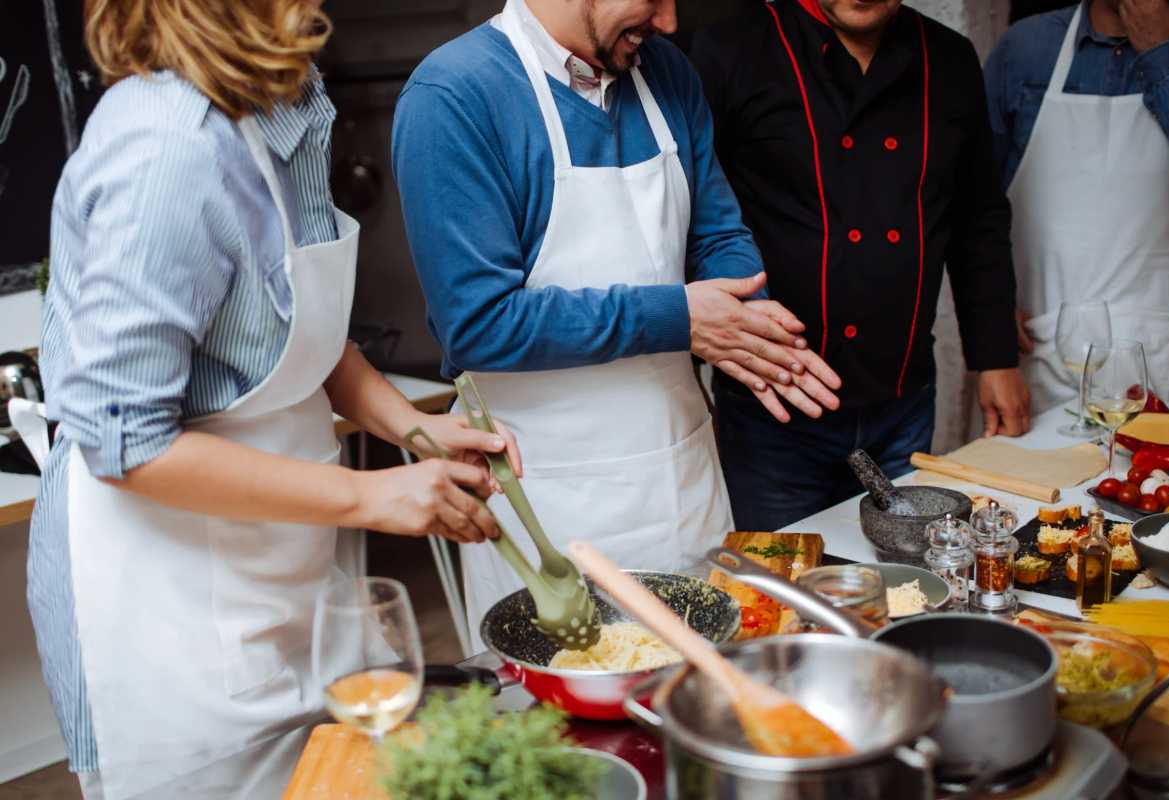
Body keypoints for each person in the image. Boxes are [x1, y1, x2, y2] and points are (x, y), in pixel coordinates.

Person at [19, 1, 521, 797]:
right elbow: (124, 441)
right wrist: (370, 495)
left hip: (275, 577)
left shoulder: (278, 103)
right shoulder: (163, 147)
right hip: (169, 610)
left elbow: (302, 338)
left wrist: (413, 432)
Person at [391, 0, 843, 650]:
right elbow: (479, 323)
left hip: (683, 487)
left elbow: (719, 233)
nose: (667, 20)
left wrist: (747, 318)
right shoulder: (455, 97)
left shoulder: (668, 74)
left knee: (707, 702)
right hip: (550, 508)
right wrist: (681, 317)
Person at [690, 0, 1031, 530]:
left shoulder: (948, 58)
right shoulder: (731, 50)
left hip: (903, 405)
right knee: (781, 595)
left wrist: (996, 359)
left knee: (904, 587)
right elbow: (690, 219)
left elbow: (977, 217)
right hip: (774, 412)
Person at [987, 0, 1169, 412]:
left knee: (1155, 478)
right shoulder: (1026, 49)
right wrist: (991, 313)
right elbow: (972, 202)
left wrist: (1165, 55)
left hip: (1160, 351)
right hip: (1042, 346)